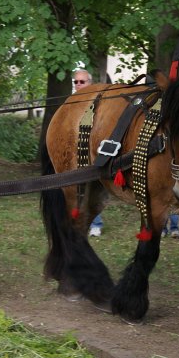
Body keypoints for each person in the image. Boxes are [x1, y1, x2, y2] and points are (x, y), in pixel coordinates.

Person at [73, 69, 104, 237]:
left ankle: (96, 224)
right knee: (75, 190)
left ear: (89, 83)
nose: (78, 85)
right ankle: (76, 221)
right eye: (76, 82)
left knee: (92, 188)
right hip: (75, 152)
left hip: (93, 152)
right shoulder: (71, 103)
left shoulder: (99, 102)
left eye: (82, 82)